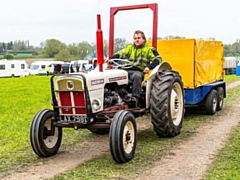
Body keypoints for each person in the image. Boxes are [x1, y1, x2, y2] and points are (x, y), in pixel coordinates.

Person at [109, 30, 162, 105]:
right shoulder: (130, 48)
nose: (136, 40)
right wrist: (111, 59)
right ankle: (116, 96)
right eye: (135, 38)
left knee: (137, 76)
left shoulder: (149, 49)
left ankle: (135, 98)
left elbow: (158, 59)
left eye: (139, 38)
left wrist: (149, 67)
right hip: (126, 69)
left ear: (143, 39)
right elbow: (119, 54)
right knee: (114, 74)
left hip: (138, 71)